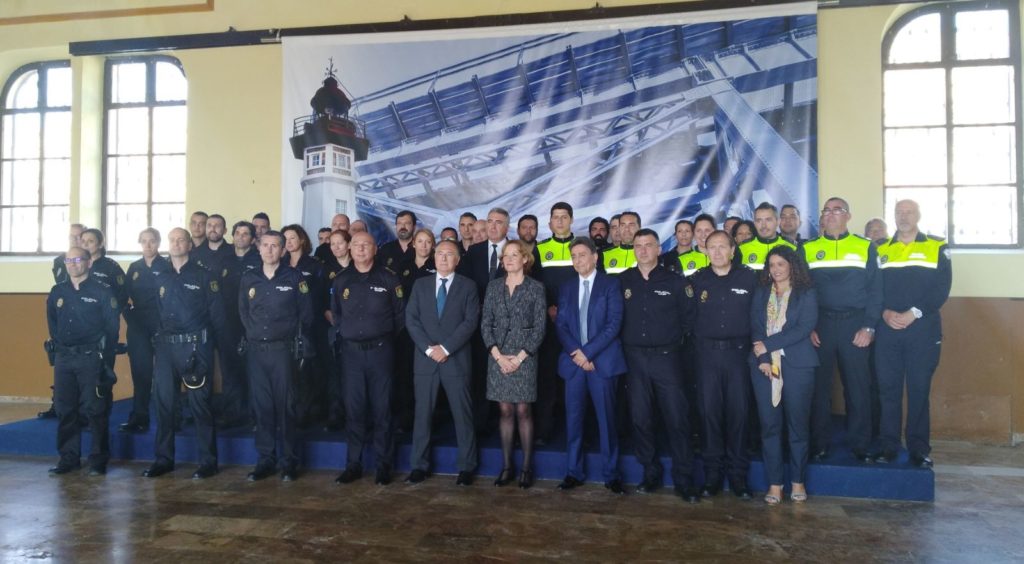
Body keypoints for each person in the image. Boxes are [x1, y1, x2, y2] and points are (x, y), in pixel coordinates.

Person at [620, 229, 699, 503]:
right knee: (641, 418)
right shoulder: (623, 281)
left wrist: (675, 346)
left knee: (677, 418)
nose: (642, 250)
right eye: (638, 246)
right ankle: (650, 473)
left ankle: (684, 479)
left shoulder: (676, 281)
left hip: (667, 359)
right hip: (634, 360)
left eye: (648, 245)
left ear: (658, 249)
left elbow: (689, 319)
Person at [142, 228, 226, 480]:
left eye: (181, 240)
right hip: (166, 348)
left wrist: (212, 348)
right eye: (172, 240)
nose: (176, 243)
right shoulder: (160, 276)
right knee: (164, 405)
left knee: (200, 406)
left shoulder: (204, 276)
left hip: (195, 347)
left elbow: (217, 316)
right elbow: (154, 312)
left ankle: (208, 462)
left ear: (190, 245)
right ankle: (163, 459)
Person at [802, 197, 882, 463]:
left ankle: (860, 444)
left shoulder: (865, 246)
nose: (831, 214)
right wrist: (809, 327)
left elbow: (876, 290)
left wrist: (869, 327)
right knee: (819, 389)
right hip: (821, 326)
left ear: (848, 216)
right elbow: (801, 291)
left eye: (837, 210)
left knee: (858, 388)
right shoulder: (809, 248)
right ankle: (820, 444)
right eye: (827, 210)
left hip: (855, 325)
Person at [874, 200, 951, 468]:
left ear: (918, 215)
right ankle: (889, 446)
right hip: (888, 329)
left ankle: (918, 449)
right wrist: (884, 313)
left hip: (923, 330)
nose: (903, 217)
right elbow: (872, 288)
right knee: (888, 391)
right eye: (899, 212)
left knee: (919, 390)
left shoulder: (936, 246)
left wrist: (914, 313)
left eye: (908, 212)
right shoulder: (880, 248)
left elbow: (942, 288)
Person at [239, 230, 314, 482]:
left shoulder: (295, 277)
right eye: (266, 245)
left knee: (286, 407)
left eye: (275, 246)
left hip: (283, 351)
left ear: (283, 251)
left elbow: (306, 314)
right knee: (262, 407)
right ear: (259, 248)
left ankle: (289, 462)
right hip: (256, 351)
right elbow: (243, 311)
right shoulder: (249, 278)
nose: (269, 250)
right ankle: (265, 460)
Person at [554, 237, 627, 494]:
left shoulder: (611, 284)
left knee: (607, 421)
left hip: (601, 363)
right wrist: (577, 354)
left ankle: (611, 474)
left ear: (595, 257)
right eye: (573, 256)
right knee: (573, 421)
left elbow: (613, 324)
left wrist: (588, 353)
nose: (577, 260)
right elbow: (561, 325)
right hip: (574, 364)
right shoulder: (566, 287)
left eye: (582, 255)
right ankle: (573, 472)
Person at [332, 232, 405, 485]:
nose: (361, 249)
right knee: (354, 409)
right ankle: (353, 464)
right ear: (349, 249)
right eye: (356, 245)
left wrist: (381, 336)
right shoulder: (341, 280)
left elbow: (400, 315)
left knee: (382, 409)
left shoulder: (389, 278)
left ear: (375, 249)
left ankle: (384, 466)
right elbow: (336, 314)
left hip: (381, 352)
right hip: (351, 354)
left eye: (366, 245)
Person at [404, 240, 480, 486]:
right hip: (425, 360)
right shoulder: (420, 284)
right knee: (422, 415)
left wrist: (446, 348)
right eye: (439, 254)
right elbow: (411, 319)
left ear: (457, 260)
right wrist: (429, 349)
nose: (444, 258)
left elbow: (470, 322)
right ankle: (419, 465)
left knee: (462, 414)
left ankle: (466, 467)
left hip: (455, 359)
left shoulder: (468, 286)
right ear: (433, 257)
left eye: (449, 254)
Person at [689, 230, 758, 499]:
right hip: (706, 357)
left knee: (739, 415)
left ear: (732, 250)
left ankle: (738, 477)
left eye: (722, 247)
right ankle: (713, 476)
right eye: (712, 247)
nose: (717, 252)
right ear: (705, 251)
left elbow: (760, 316)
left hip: (739, 357)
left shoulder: (749, 278)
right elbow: (687, 318)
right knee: (709, 416)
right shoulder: (696, 280)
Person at [750, 246, 819, 504]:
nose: (776, 269)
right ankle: (775, 484)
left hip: (798, 365)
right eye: (772, 265)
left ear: (792, 265)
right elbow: (755, 326)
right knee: (770, 427)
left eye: (781, 264)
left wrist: (768, 345)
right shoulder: (761, 292)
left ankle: (798, 481)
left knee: (797, 426)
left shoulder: (806, 292)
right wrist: (763, 359)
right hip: (764, 368)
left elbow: (804, 327)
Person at [45, 246, 120, 476]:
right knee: (65, 409)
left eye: (78, 259)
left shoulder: (102, 291)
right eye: (69, 260)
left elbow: (112, 328)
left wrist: (104, 360)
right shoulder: (57, 291)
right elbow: (53, 324)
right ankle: (69, 458)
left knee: (95, 409)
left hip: (92, 358)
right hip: (64, 359)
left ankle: (98, 460)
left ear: (89, 262)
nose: (73, 264)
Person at [481, 240, 546, 488]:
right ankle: (507, 466)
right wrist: (498, 356)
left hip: (525, 358)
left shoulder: (536, 288)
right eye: (505, 256)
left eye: (513, 255)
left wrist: (519, 358)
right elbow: (485, 324)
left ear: (525, 259)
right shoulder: (493, 287)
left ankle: (527, 468)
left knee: (523, 411)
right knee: (505, 411)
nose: (508, 259)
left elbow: (539, 328)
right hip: (497, 357)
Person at [460, 208, 511, 435]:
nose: (492, 226)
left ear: (506, 227)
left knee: (505, 375)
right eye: (490, 221)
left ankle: (505, 427)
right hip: (479, 325)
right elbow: (464, 284)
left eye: (498, 222)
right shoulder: (474, 251)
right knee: (480, 374)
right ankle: (480, 425)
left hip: (508, 328)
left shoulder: (515, 250)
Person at [534, 202, 576, 445]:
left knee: (574, 378)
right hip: (548, 324)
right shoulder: (540, 249)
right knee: (547, 378)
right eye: (556, 217)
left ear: (571, 220)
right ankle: (544, 430)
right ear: (550, 223)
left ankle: (576, 432)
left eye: (564, 217)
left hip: (575, 324)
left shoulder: (581, 247)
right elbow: (534, 284)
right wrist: (548, 307)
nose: (560, 221)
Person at [120, 227, 169, 434]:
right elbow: (123, 297)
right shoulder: (135, 268)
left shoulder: (167, 266)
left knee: (166, 375)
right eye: (144, 241)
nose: (148, 245)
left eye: (152, 241)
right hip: (139, 325)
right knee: (141, 373)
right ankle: (139, 417)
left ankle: (171, 418)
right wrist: (131, 318)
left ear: (158, 243)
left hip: (162, 324)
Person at [41, 223, 89, 420]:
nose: (75, 240)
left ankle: (84, 412)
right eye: (72, 236)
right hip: (64, 317)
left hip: (87, 325)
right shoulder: (59, 261)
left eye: (79, 236)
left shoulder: (89, 261)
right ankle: (58, 405)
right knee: (61, 367)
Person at [282, 224, 326, 428]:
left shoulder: (314, 265)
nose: (289, 242)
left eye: (293, 237)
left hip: (311, 325)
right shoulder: (280, 264)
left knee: (310, 369)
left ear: (302, 240)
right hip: (285, 326)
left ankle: (310, 412)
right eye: (285, 239)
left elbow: (321, 295)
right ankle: (291, 412)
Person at [394, 228, 437, 433]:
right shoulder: (403, 266)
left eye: (428, 241)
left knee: (428, 377)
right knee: (404, 374)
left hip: (429, 330)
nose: (424, 245)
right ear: (413, 244)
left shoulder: (438, 266)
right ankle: (405, 418)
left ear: (433, 244)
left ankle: (428, 420)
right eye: (420, 241)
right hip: (405, 330)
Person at [219, 220, 260, 426]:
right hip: (228, 323)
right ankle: (232, 414)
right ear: (232, 236)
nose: (241, 237)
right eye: (238, 233)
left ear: (252, 239)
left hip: (253, 323)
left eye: (245, 234)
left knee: (253, 370)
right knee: (230, 368)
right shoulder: (224, 260)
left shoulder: (259, 260)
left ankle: (254, 415)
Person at [322, 229, 353, 430]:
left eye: (339, 243)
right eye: (332, 244)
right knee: (335, 373)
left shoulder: (359, 265)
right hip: (333, 327)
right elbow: (319, 299)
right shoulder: (326, 269)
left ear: (349, 244)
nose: (336, 247)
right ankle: (335, 414)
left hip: (357, 328)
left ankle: (354, 415)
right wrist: (331, 317)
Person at [738, 203, 796, 270]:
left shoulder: (792, 247)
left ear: (778, 222)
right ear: (754, 223)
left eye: (768, 220)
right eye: (759, 220)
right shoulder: (742, 248)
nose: (763, 226)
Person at [80, 228, 128, 311]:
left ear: (101, 244)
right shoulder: (77, 264)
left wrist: (114, 312)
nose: (85, 245)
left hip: (105, 313)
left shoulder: (111, 266)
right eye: (83, 241)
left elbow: (123, 292)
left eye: (90, 241)